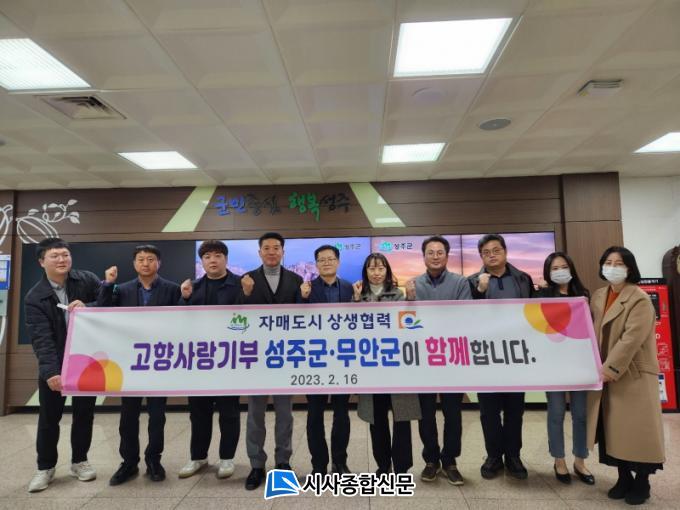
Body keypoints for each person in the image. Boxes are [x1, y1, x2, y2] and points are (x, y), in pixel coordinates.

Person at [587, 246, 665, 505]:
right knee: (613, 431)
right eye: (608, 262)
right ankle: (623, 477)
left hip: (632, 375)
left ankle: (642, 481)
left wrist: (609, 369)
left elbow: (631, 339)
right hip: (605, 372)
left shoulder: (639, 298)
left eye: (618, 263)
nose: (612, 267)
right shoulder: (599, 295)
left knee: (638, 431)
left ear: (629, 268)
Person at [25, 238, 102, 493]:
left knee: (84, 415)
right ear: (42, 262)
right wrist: (51, 372)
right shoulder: (35, 297)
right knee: (49, 418)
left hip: (86, 361)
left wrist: (88, 306)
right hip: (56, 364)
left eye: (65, 255)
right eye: (54, 256)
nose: (61, 260)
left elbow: (109, 304)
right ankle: (45, 467)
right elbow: (41, 338)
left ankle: (80, 461)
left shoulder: (87, 280)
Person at [100, 245, 181, 486]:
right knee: (128, 416)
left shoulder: (173, 289)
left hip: (159, 363)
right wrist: (107, 284)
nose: (145, 263)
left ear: (159, 263)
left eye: (150, 259)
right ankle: (129, 462)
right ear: (134, 264)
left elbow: (182, 322)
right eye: (141, 259)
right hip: (130, 363)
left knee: (157, 416)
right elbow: (102, 312)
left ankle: (154, 460)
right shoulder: (122, 289)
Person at [239, 232, 303, 490]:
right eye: (267, 248)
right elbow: (235, 318)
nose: (272, 252)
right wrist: (245, 295)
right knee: (255, 414)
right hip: (256, 358)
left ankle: (283, 462)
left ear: (283, 252)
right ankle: (256, 464)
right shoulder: (246, 280)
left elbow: (303, 319)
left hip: (285, 357)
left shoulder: (296, 280)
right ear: (260, 252)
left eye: (276, 248)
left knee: (285, 414)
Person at [405, 235, 471, 486]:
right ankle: (431, 460)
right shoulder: (413, 285)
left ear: (446, 255)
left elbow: (465, 316)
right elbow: (408, 322)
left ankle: (450, 461)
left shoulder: (460, 282)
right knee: (426, 414)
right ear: (423, 257)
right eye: (430, 252)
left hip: (452, 357)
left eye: (439, 252)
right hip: (424, 358)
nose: (435, 256)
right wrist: (409, 300)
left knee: (453, 413)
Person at [468, 234, 534, 480]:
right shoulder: (472, 281)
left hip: (516, 353)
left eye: (496, 250)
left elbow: (534, 312)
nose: (492, 255)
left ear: (505, 252)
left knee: (515, 410)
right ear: (481, 257)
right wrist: (480, 291)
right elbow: (466, 317)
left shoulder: (523, 279)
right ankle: (493, 456)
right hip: (485, 355)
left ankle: (513, 456)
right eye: (486, 252)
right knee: (489, 411)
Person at [177, 240, 242, 479]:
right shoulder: (192, 287)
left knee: (229, 412)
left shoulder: (240, 285)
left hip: (229, 360)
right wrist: (184, 299)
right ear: (202, 261)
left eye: (217, 255)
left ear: (225, 258)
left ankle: (227, 458)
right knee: (198, 412)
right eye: (207, 257)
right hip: (200, 360)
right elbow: (178, 323)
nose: (212, 260)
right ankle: (198, 457)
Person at [355, 253, 421, 475]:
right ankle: (383, 465)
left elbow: (409, 325)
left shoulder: (398, 295)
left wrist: (411, 300)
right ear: (365, 272)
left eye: (381, 268)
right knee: (377, 419)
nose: (376, 273)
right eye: (372, 268)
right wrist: (356, 302)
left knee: (402, 418)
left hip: (395, 367)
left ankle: (401, 467)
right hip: (372, 368)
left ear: (387, 271)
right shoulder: (359, 296)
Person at [536, 252, 594, 485]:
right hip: (553, 365)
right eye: (554, 268)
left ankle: (580, 460)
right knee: (556, 412)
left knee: (580, 414)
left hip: (579, 363)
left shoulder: (583, 295)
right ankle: (559, 460)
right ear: (548, 273)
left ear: (571, 268)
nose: (560, 271)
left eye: (563, 267)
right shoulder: (542, 296)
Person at [298, 244, 354, 475]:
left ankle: (340, 462)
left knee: (342, 414)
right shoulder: (307, 289)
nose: (327, 263)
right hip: (316, 360)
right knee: (314, 414)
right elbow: (296, 321)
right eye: (321, 260)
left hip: (343, 359)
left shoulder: (350, 288)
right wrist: (302, 299)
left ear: (338, 262)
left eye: (331, 259)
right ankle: (318, 464)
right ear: (316, 264)